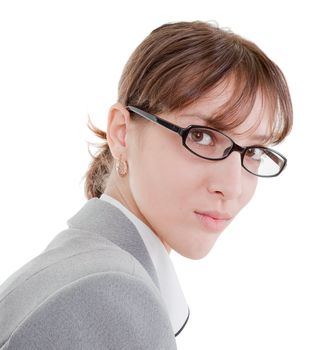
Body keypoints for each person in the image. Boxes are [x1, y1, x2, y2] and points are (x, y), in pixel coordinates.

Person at [0, 20, 293, 349]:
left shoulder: (76, 269)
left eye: (254, 151)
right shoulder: (109, 293)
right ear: (122, 133)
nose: (233, 186)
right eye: (201, 136)